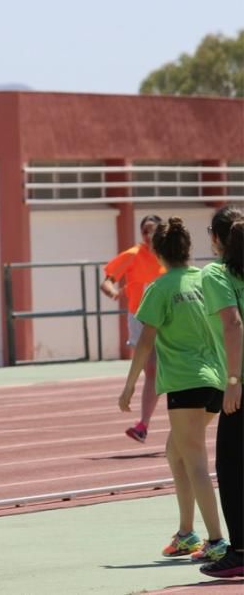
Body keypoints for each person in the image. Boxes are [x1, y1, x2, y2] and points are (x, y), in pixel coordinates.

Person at [118, 218, 226, 563]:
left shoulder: (160, 288)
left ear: (158, 253)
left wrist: (130, 385)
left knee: (194, 461)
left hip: (186, 382)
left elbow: (145, 342)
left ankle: (216, 540)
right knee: (175, 453)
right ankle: (186, 533)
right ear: (188, 249)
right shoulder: (206, 279)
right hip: (215, 382)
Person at [198, 205, 244, 578]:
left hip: (241, 384)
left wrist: (232, 380)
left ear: (216, 238)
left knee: (231, 466)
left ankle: (241, 549)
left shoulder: (215, 273)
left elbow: (232, 323)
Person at [102, 215, 165, 442]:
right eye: (145, 231)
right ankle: (143, 425)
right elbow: (108, 279)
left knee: (161, 369)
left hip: (167, 318)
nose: (148, 236)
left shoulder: (168, 255)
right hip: (140, 317)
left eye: (153, 231)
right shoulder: (133, 255)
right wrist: (112, 291)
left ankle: (179, 420)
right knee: (152, 369)